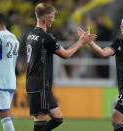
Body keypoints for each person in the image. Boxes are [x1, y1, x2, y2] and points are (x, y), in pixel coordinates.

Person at [25, 3, 96, 131]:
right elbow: (66, 55)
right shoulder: (46, 38)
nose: (53, 19)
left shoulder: (31, 35)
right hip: (39, 85)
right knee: (40, 121)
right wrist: (81, 41)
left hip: (38, 84)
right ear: (45, 19)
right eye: (52, 16)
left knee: (57, 118)